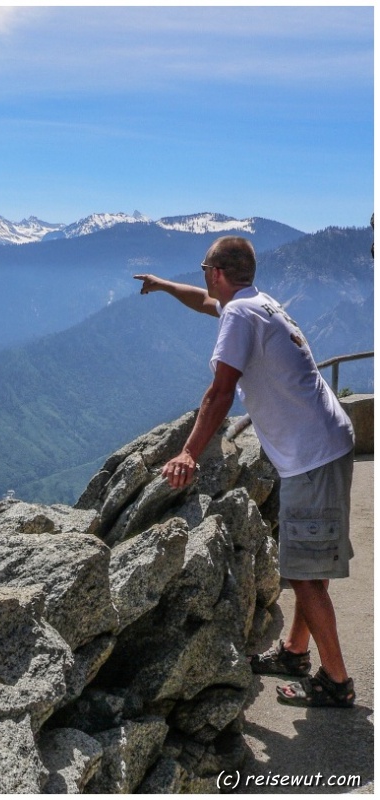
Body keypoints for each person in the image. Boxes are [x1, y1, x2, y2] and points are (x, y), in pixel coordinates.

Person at [134, 235, 356, 708]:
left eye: (202, 270)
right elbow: (205, 301)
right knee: (308, 566)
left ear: (215, 272)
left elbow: (219, 392)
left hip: (311, 455)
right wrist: (164, 285)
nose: (202, 280)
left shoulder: (239, 314)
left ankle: (336, 682)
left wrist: (189, 452)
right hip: (327, 442)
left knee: (304, 573)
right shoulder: (259, 303)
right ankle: (296, 652)